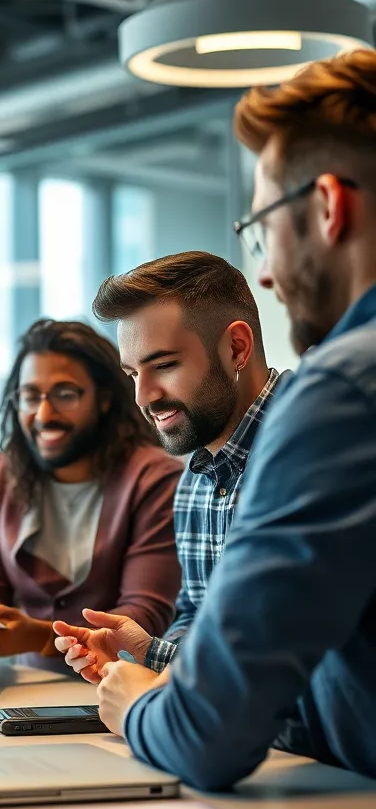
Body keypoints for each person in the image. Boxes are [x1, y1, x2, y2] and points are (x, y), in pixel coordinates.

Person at [93, 50, 376, 789]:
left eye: (261, 229)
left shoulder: (342, 393)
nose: (271, 274)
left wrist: (135, 705)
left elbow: (207, 735)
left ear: (327, 207)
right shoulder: (198, 473)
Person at [51, 252, 286, 685]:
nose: (143, 396)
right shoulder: (194, 480)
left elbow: (280, 644)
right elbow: (200, 617)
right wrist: (144, 653)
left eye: (163, 366)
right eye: (132, 373)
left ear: (237, 348)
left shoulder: (314, 442)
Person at [0, 319, 183, 670]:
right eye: (30, 396)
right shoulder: (6, 474)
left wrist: (39, 636)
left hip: (122, 690)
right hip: (25, 692)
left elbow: (143, 617)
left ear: (103, 400)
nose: (43, 414)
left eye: (65, 394)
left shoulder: (155, 480)